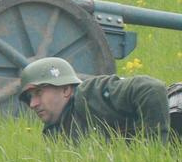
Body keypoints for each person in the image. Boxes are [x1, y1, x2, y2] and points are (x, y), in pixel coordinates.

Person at [16, 57, 181, 141]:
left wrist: (154, 151)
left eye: (39, 93)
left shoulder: (91, 95)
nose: (33, 104)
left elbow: (151, 88)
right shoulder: (54, 133)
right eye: (30, 98)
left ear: (65, 89)